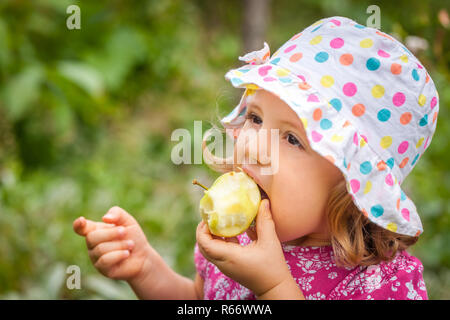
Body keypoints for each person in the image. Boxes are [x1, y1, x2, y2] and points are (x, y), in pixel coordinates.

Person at [73, 16, 438, 300]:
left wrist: (273, 286)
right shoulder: (240, 240)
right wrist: (146, 269)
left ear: (355, 187)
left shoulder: (380, 284)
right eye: (255, 118)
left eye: (293, 139)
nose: (253, 145)